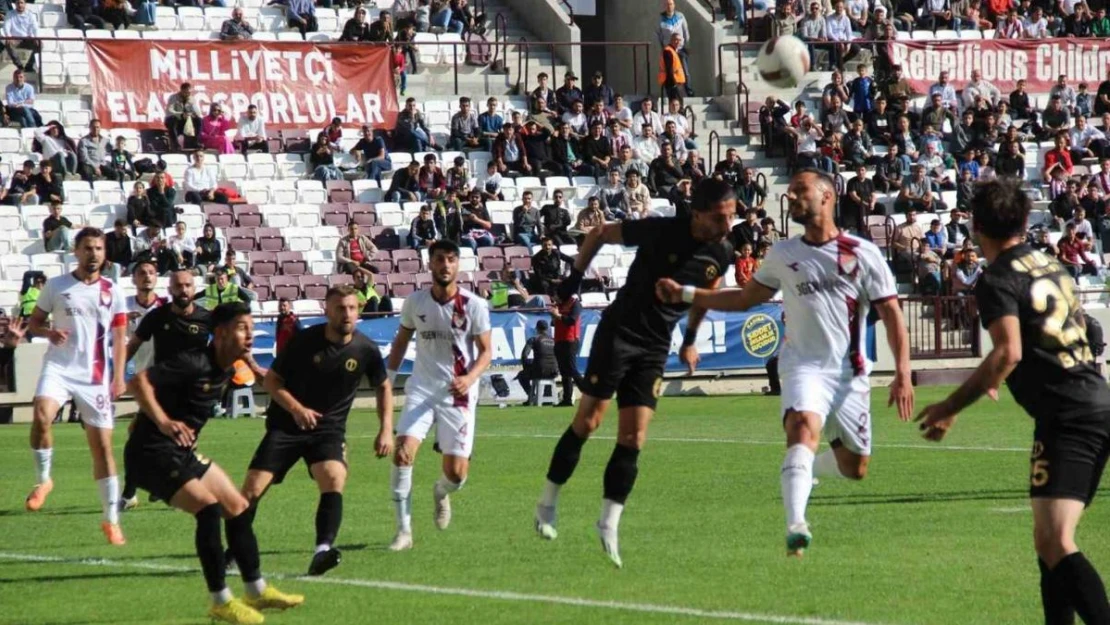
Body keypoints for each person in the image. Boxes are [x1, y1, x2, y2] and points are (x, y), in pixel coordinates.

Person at [656, 170, 913, 558]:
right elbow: (744, 299)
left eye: (800, 191)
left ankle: (807, 471)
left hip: (850, 374)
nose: (791, 197)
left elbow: (891, 314)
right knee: (801, 430)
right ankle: (796, 524)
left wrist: (903, 374)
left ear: (827, 196)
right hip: (802, 366)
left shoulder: (862, 253)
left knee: (855, 467)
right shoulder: (783, 253)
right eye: (789, 191)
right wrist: (687, 293)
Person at [917, 178, 1110, 625]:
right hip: (1093, 398)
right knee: (1048, 542)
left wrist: (949, 407)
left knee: (1056, 541)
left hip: (1068, 415)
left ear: (975, 225)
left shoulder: (998, 277)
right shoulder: (1050, 264)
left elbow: (1008, 351)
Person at [533, 179, 735, 568]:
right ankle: (547, 501)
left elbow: (705, 295)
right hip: (619, 332)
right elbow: (600, 232)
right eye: (720, 218)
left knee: (634, 435)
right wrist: (574, 278)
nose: (728, 225)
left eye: (731, 216)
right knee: (589, 422)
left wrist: (690, 338)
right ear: (698, 214)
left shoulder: (721, 252)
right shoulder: (660, 229)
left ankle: (608, 522)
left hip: (655, 346)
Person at [125, 303, 304, 623]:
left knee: (237, 506)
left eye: (250, 327)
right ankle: (220, 600)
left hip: (180, 452)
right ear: (220, 334)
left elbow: (261, 376)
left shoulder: (228, 367)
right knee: (208, 509)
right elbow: (138, 382)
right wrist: (164, 422)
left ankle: (256, 590)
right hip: (150, 454)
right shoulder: (193, 362)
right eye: (241, 327)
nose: (249, 334)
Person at [235, 286, 393, 576]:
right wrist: (297, 409)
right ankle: (233, 550)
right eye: (339, 308)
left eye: (351, 308)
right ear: (326, 310)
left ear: (358, 311)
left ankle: (323, 550)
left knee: (334, 478)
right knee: (252, 490)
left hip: (328, 430)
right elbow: (272, 382)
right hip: (286, 426)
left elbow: (383, 386)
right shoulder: (304, 341)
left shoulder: (366, 348)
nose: (346, 314)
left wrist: (385, 430)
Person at [24, 228, 129, 546]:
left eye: (98, 248)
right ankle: (44, 481)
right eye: (87, 248)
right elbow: (34, 322)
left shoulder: (113, 291)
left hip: (94, 377)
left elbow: (120, 338)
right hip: (58, 368)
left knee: (103, 449)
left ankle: (111, 520)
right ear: (76, 251)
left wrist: (119, 376)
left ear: (105, 253)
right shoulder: (57, 286)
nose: (93, 253)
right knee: (41, 414)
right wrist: (49, 332)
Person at [386, 240, 492, 551]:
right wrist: (388, 382)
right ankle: (403, 532)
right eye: (439, 259)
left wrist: (469, 378)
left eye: (450, 259)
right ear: (429, 264)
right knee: (403, 451)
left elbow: (486, 352)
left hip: (457, 394)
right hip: (421, 388)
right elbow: (401, 342)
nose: (445, 265)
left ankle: (441, 492)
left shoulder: (473, 305)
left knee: (457, 474)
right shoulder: (415, 302)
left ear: (458, 265)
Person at [550, 293, 582, 407]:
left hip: (570, 339)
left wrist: (558, 315)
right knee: (564, 371)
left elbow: (572, 320)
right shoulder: (560, 304)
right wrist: (553, 315)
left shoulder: (575, 303)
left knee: (571, 368)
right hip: (559, 339)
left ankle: (590, 394)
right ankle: (567, 399)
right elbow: (553, 323)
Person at [519, 320, 558, 404]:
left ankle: (531, 396)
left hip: (540, 370)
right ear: (547, 329)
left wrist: (526, 367)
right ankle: (547, 397)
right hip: (554, 371)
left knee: (521, 375)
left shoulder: (534, 339)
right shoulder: (554, 340)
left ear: (537, 328)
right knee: (547, 371)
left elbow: (524, 355)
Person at [165, 83, 203, 152]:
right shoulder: (173, 97)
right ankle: (175, 145)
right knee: (172, 120)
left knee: (199, 120)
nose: (188, 94)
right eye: (186, 92)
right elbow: (169, 111)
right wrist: (181, 114)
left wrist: (193, 114)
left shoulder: (192, 99)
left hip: (186, 122)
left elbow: (198, 112)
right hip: (175, 120)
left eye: (189, 92)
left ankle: (196, 141)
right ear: (182, 90)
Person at [659, 32, 687, 103]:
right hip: (673, 82)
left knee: (678, 103)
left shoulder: (674, 51)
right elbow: (669, 68)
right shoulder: (668, 51)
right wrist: (672, 83)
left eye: (679, 40)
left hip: (677, 81)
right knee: (675, 103)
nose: (677, 42)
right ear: (671, 40)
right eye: (675, 40)